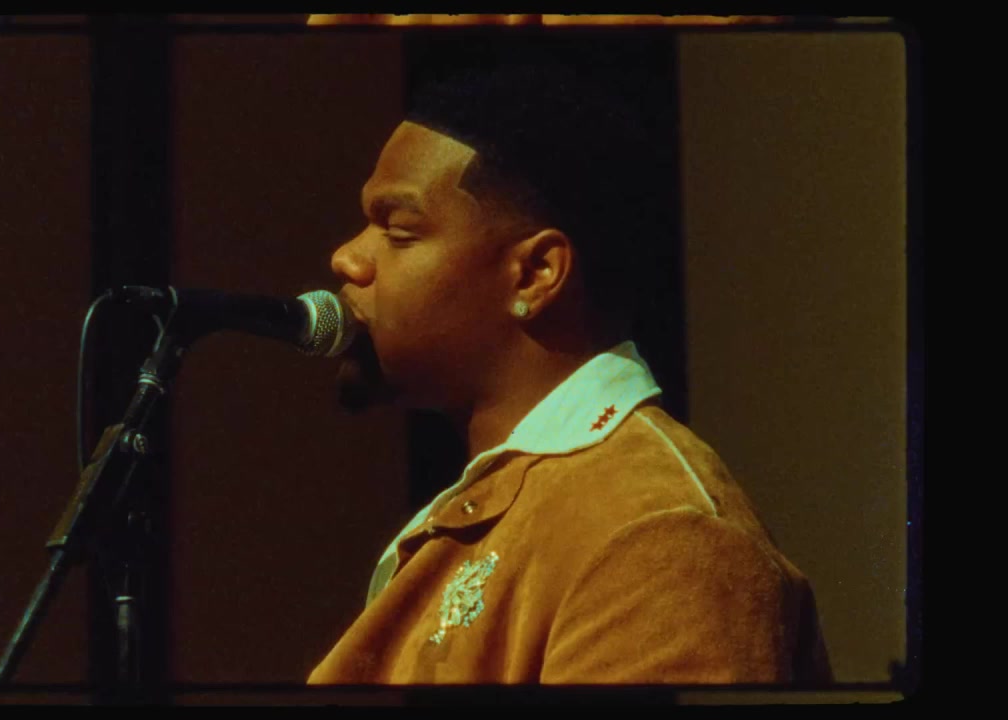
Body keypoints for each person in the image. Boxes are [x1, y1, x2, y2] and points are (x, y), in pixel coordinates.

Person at [307, 62, 833, 685]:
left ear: (535, 275)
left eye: (398, 231)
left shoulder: (656, 536)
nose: (347, 257)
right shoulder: (527, 506)